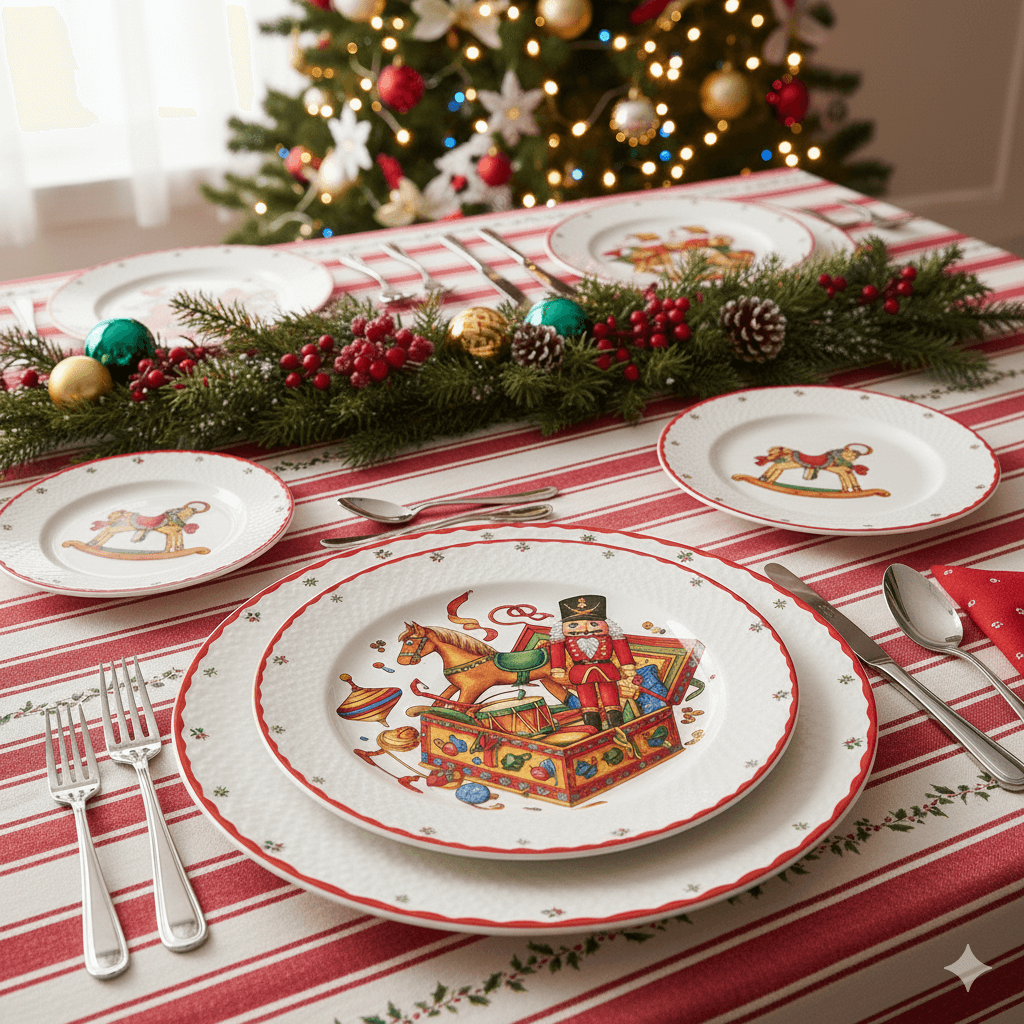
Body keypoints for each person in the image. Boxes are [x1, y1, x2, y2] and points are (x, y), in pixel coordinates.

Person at [547, 594, 638, 732]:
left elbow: (621, 646)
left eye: (593, 624)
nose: (585, 629)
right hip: (581, 672)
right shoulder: (564, 639)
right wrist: (558, 668)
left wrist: (627, 665)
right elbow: (557, 649)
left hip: (606, 670)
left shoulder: (610, 636)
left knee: (611, 701)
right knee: (588, 703)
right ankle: (593, 728)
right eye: (573, 625)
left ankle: (616, 726)